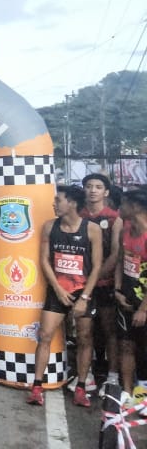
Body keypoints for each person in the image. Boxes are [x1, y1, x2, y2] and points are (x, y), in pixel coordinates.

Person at [27, 185, 103, 407]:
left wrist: (84, 298)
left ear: (72, 203)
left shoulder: (92, 229)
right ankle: (37, 387)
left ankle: (81, 387)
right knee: (45, 335)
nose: (54, 204)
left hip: (83, 292)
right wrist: (58, 289)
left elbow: (97, 266)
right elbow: (44, 260)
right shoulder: (50, 226)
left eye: (58, 200)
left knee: (85, 338)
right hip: (58, 290)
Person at [80, 173, 122, 392]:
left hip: (105, 283)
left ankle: (112, 377)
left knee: (109, 331)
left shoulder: (115, 219)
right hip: (80, 283)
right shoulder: (78, 216)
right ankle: (86, 373)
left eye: (98, 187)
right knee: (85, 331)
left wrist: (95, 278)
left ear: (106, 192)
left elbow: (115, 254)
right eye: (89, 186)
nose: (93, 190)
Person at [115, 189, 147, 407]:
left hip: (143, 303)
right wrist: (118, 290)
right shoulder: (125, 230)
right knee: (126, 345)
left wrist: (143, 309)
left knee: (144, 349)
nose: (120, 208)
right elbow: (120, 260)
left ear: (135, 207)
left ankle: (142, 393)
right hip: (126, 298)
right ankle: (127, 392)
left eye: (124, 204)